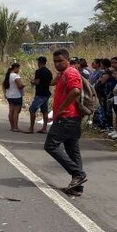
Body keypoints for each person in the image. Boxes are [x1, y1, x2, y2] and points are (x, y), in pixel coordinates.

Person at [44, 49, 87, 197]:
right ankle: (77, 187)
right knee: (73, 151)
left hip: (67, 117)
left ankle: (77, 173)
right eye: (55, 61)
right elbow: (52, 83)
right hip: (71, 118)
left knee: (50, 145)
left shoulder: (70, 72)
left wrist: (60, 109)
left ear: (67, 60)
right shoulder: (63, 73)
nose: (57, 64)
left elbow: (75, 91)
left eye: (60, 61)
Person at [28, 56, 53, 134]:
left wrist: (32, 82)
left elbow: (37, 82)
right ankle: (44, 128)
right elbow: (51, 82)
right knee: (44, 111)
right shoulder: (49, 71)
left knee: (32, 109)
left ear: (39, 62)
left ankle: (31, 127)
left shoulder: (38, 71)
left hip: (40, 94)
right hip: (46, 93)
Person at [3, 62, 25, 132]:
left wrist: (5, 93)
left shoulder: (8, 75)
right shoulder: (16, 76)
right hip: (16, 95)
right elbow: (20, 86)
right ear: (15, 68)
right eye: (18, 68)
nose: (19, 70)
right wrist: (24, 85)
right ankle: (15, 127)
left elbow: (3, 84)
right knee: (16, 112)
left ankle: (12, 127)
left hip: (9, 95)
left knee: (11, 111)